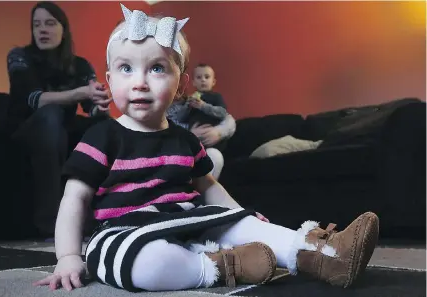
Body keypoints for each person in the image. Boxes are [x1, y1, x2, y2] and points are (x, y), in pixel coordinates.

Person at [34, 5, 379, 292]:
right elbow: (74, 199)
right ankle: (219, 265)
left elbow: (208, 186)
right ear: (110, 80)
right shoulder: (100, 137)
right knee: (145, 265)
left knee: (247, 226)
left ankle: (324, 255)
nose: (139, 81)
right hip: (122, 230)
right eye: (126, 68)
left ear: (181, 85)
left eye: (156, 68)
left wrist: (240, 215)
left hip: (187, 220)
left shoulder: (185, 141)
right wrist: (67, 256)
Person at [6, 1, 112, 238]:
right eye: (37, 25)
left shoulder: (80, 65)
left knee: (106, 127)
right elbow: (33, 99)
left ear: (63, 29)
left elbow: (92, 109)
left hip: (62, 129)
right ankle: (51, 223)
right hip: (26, 128)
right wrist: (80, 93)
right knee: (51, 114)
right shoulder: (19, 56)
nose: (42, 30)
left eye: (50, 23)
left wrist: (100, 104)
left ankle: (107, 218)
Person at [167, 64, 233, 179]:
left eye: (207, 77)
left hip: (211, 143)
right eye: (199, 77)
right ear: (193, 82)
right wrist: (188, 109)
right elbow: (175, 121)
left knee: (214, 156)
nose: (203, 80)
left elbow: (225, 116)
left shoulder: (214, 97)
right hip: (189, 145)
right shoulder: (160, 111)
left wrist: (217, 132)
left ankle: (205, 191)